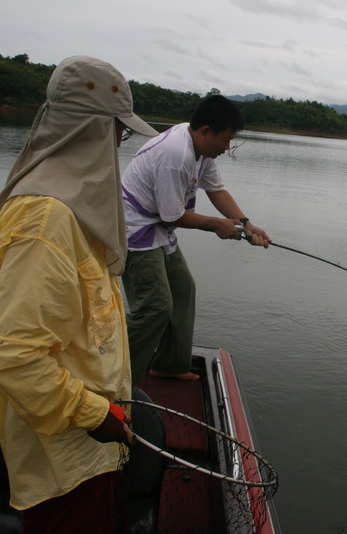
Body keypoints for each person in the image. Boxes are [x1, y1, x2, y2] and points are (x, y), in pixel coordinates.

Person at [0, 55, 159, 534]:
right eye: (118, 132)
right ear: (94, 130)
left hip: (91, 447)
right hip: (64, 458)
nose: (118, 144)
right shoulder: (46, 219)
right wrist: (94, 413)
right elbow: (14, 352)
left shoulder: (69, 210)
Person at [121, 94, 270, 383]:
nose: (226, 148)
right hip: (134, 231)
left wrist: (246, 224)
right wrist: (216, 225)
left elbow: (216, 190)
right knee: (155, 307)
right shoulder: (174, 155)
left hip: (158, 229)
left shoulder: (201, 151)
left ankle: (168, 365)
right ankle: (117, 378)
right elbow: (171, 215)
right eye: (224, 140)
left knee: (182, 290)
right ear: (205, 132)